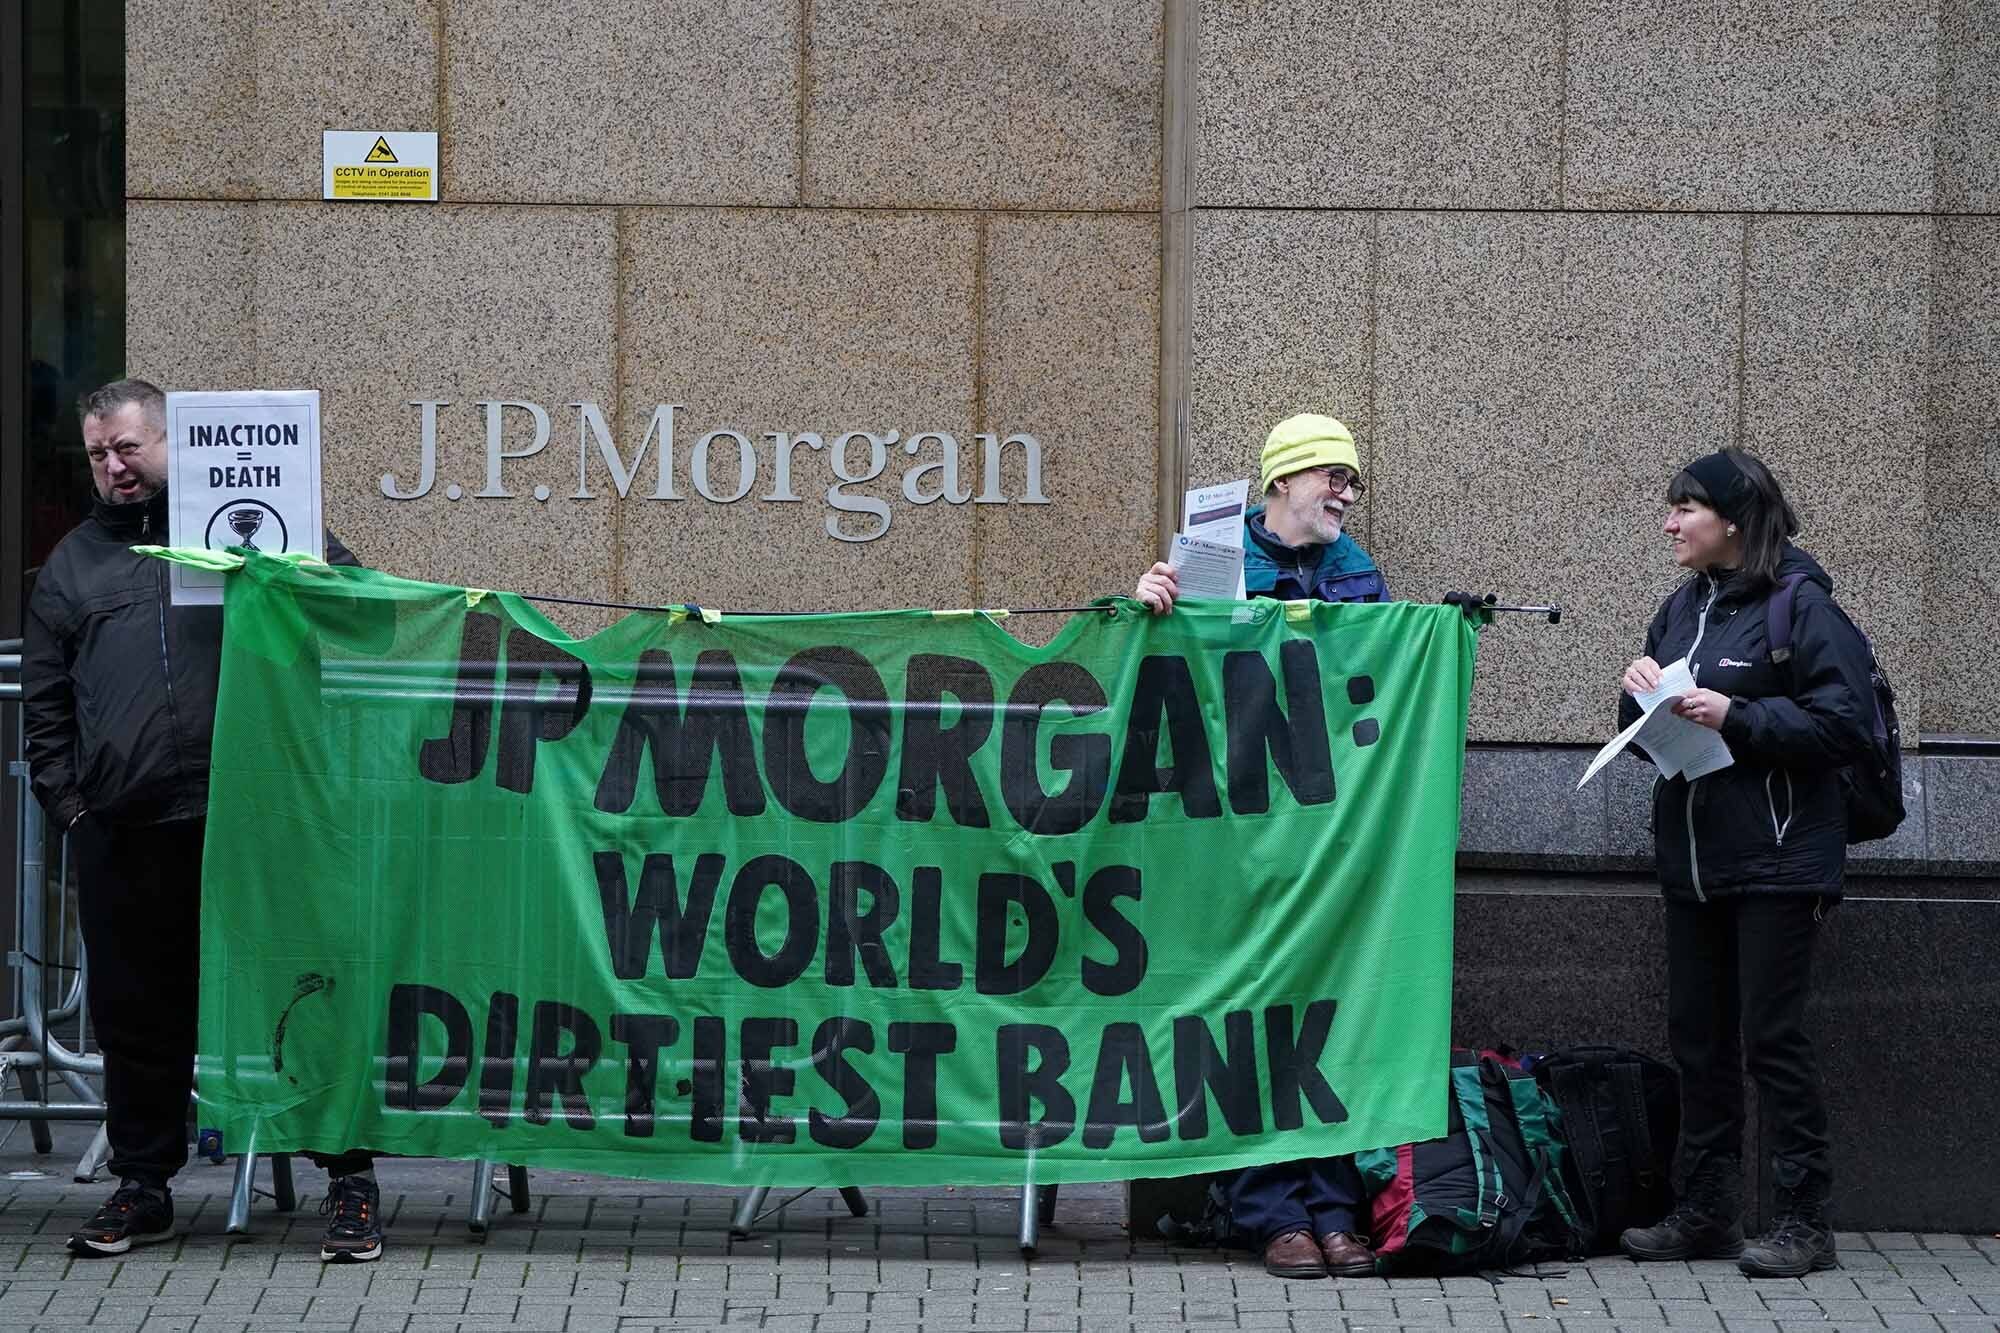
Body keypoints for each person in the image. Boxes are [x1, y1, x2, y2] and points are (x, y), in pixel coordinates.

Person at [22, 378, 387, 1263]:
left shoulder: (245, 525)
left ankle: (348, 1179)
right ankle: (143, 1187)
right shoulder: (71, 566)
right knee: (136, 1018)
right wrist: (74, 810)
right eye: (99, 454)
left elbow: (358, 606)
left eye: (128, 447)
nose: (114, 467)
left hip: (258, 822)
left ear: (170, 442)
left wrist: (297, 549)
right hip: (128, 829)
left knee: (299, 998)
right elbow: (46, 707)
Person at [1132, 412, 1385, 1279]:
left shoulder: (1361, 576)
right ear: (1283, 481)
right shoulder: (1211, 561)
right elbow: (1167, 672)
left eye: (1352, 481)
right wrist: (1149, 608)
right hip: (1235, 835)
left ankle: (1333, 1209)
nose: (1346, 494)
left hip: (1322, 836)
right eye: (1333, 476)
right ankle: (1272, 1212)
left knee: (1326, 1023)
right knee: (1247, 1019)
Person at [1615, 448, 1875, 1278]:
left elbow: (1847, 726)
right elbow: (1646, 730)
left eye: (1684, 508)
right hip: (1694, 859)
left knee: (1772, 1038)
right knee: (1698, 1039)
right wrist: (1637, 692)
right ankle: (1708, 1210)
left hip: (1779, 859)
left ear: (1732, 520)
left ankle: (1805, 1220)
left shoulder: (1803, 606)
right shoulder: (1683, 605)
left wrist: (1738, 714)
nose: (1669, 524)